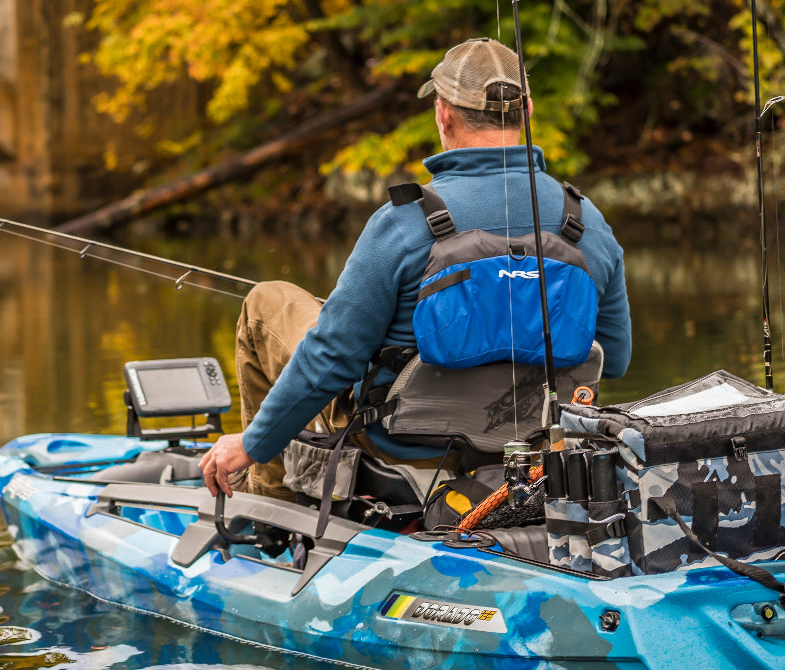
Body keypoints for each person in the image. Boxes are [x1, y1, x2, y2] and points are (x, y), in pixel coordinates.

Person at [199, 37, 631, 500]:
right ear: (527, 112)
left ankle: (268, 506)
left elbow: (332, 358)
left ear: (443, 114)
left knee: (268, 302)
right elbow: (616, 358)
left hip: (400, 449)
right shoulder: (586, 223)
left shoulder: (404, 224)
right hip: (535, 450)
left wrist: (252, 442)